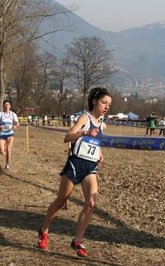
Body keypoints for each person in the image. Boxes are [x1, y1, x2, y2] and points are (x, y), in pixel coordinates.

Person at [38, 87, 112, 258]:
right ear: (95, 102)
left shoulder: (103, 124)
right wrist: (85, 132)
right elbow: (68, 137)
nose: (107, 106)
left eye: (109, 104)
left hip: (90, 167)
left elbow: (95, 142)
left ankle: (77, 241)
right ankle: (44, 230)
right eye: (103, 102)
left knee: (91, 204)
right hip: (75, 164)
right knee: (61, 201)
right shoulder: (85, 117)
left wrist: (99, 153)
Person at [0, 100, 19, 170]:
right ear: (3, 106)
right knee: (1, 152)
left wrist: (16, 125)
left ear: (10, 106)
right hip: (2, 133)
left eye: (8, 104)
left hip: (10, 133)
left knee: (8, 149)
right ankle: (3, 149)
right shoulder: (0, 114)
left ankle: (7, 164)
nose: (7, 106)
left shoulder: (13, 114)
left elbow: (17, 122)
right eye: (5, 105)